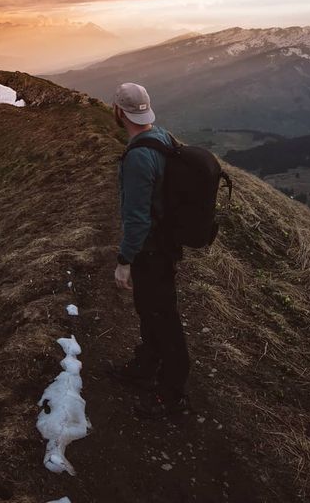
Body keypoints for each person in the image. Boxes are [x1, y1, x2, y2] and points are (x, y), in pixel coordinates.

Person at [108, 81, 190, 418]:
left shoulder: (139, 157)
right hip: (164, 244)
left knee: (162, 316)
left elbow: (137, 219)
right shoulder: (163, 137)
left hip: (151, 250)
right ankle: (146, 364)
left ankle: (171, 394)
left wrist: (124, 260)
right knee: (150, 309)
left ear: (118, 111)